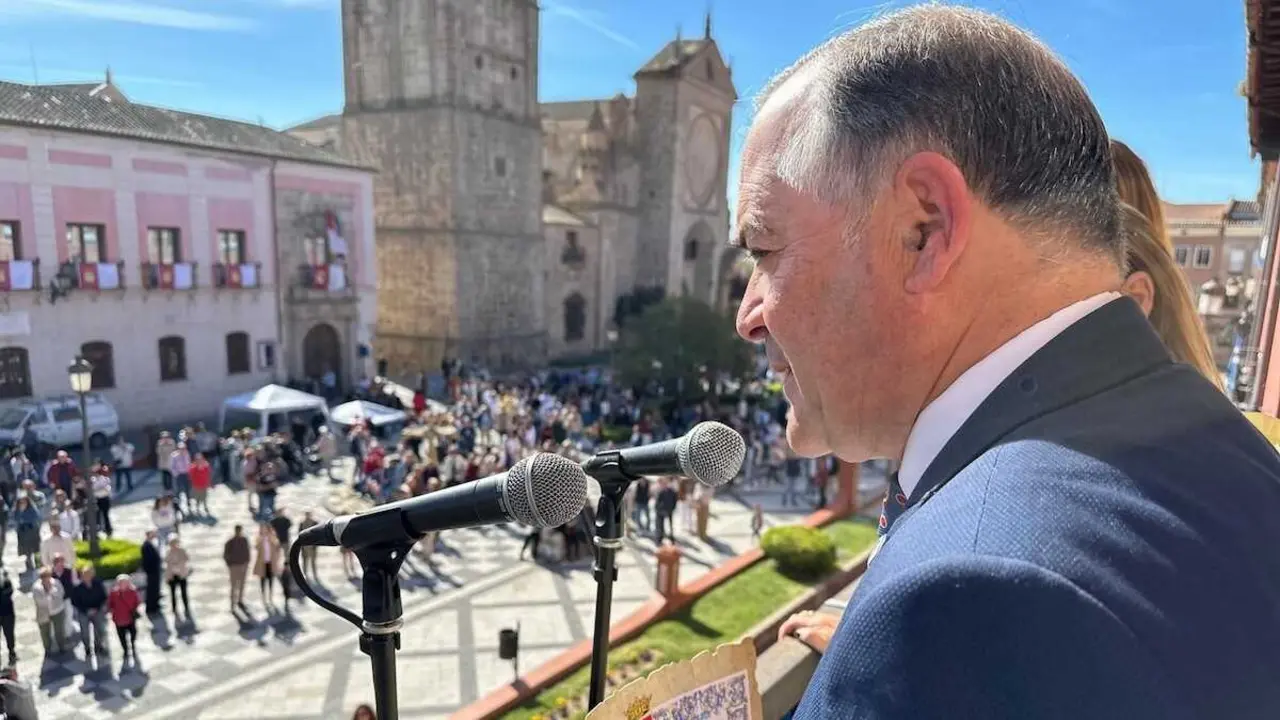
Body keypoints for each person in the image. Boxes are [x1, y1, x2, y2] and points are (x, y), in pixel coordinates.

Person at [735, 6, 1280, 718]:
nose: (749, 315)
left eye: (765, 249)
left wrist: (910, 664)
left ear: (923, 229)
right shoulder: (1220, 442)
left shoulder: (959, 602)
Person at [107, 574, 141, 668]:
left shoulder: (132, 591)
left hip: (130, 618)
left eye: (125, 582)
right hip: (119, 619)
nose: (123, 584)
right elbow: (110, 604)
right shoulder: (114, 593)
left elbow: (137, 602)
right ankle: (126, 650)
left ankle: (132, 647)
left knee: (133, 634)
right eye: (121, 582)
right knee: (122, 637)